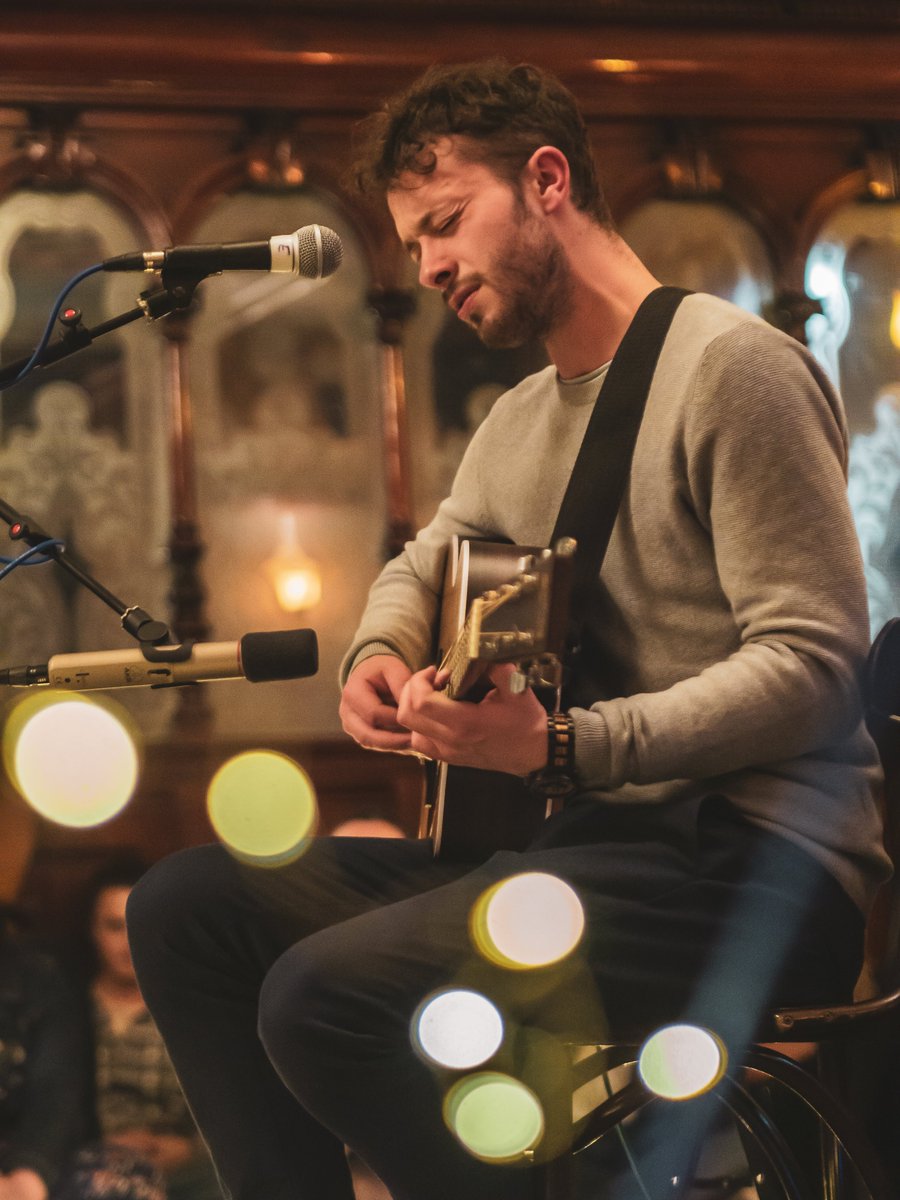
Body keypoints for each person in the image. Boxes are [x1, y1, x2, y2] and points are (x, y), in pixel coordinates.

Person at [126, 60, 891, 1200]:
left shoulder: (736, 371)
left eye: (444, 224)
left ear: (547, 181)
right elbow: (422, 563)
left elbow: (813, 669)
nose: (426, 267)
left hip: (748, 870)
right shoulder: (520, 420)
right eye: (413, 243)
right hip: (582, 849)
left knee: (324, 995)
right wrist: (377, 655)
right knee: (187, 910)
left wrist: (565, 745)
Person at [74, 857, 220, 1200]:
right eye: (114, 926)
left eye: (138, 925)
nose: (128, 941)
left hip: (187, 1170)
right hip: (85, 1169)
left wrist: (191, 1149)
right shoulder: (69, 1008)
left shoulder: (190, 1011)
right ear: (93, 931)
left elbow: (233, 1103)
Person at [0, 906, 89, 1200]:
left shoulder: (38, 976)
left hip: (23, 1152)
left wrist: (29, 1171)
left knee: (124, 1185)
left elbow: (55, 1092)